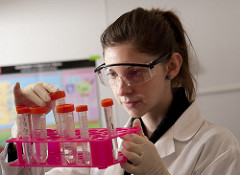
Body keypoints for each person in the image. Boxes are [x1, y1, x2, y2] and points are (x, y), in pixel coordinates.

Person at [1, 7, 240, 175]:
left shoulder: (216, 145)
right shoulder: (107, 146)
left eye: (135, 72)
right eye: (113, 74)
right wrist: (28, 128)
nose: (122, 89)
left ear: (172, 66)